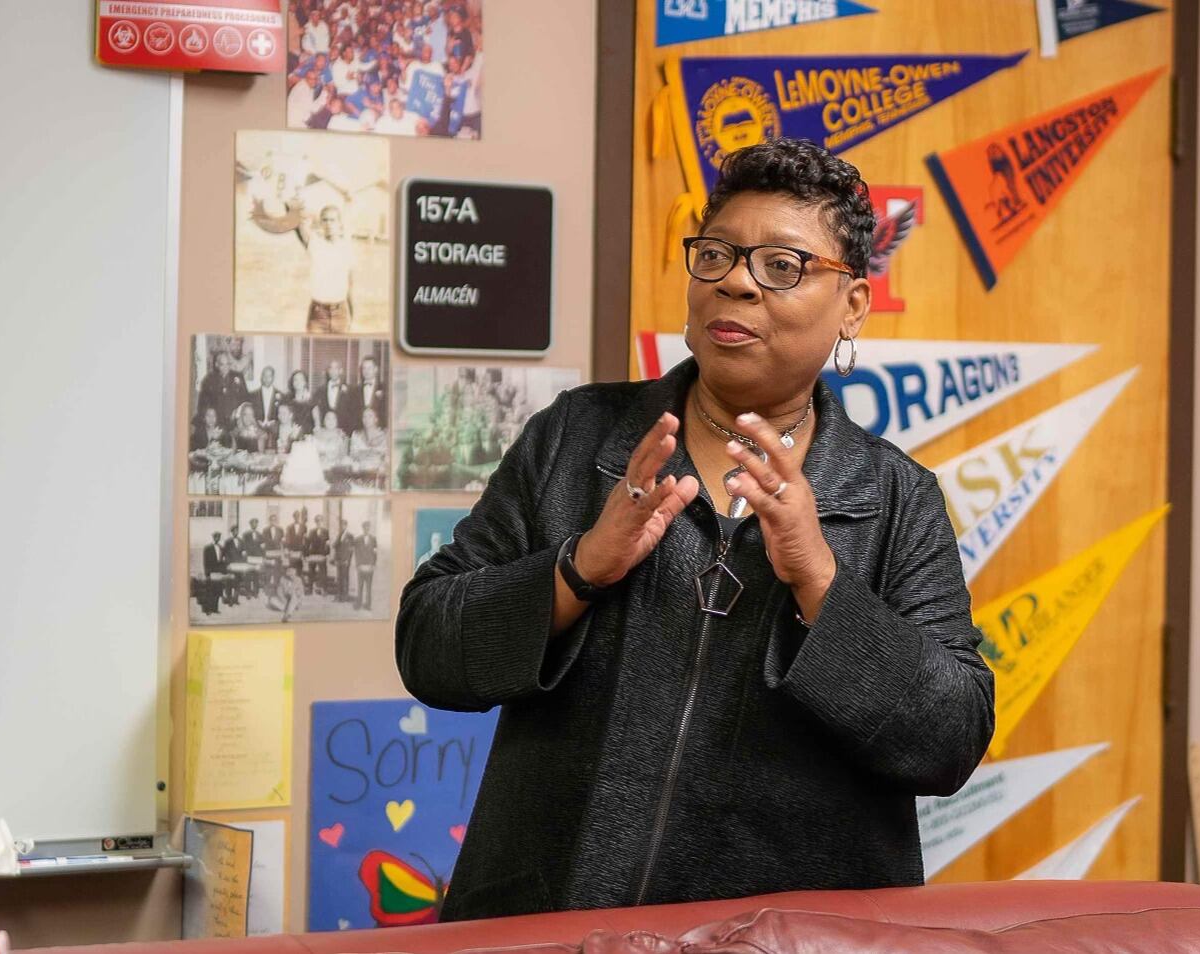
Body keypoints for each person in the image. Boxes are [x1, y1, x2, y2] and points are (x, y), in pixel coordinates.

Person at [396, 138, 994, 920]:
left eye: (783, 265)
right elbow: (427, 647)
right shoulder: (579, 438)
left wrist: (819, 580)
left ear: (852, 303)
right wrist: (575, 572)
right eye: (716, 254)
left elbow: (949, 738)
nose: (737, 281)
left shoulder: (893, 498)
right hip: (555, 921)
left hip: (787, 939)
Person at [294, 205, 355, 333]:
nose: (328, 224)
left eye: (332, 220)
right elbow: (297, 224)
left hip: (341, 313)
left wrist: (352, 314)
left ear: (339, 223)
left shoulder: (346, 247)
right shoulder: (315, 245)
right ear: (321, 223)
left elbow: (350, 284)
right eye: (325, 220)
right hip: (318, 314)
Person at [197, 349, 247, 425]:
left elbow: (245, 399)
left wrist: (238, 412)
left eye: (228, 364)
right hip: (216, 422)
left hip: (236, 422)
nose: (226, 367)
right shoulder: (208, 380)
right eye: (222, 364)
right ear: (217, 364)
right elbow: (203, 405)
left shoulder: (238, 376)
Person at [345, 354, 387, 428]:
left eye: (369, 368)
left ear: (376, 369)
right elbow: (351, 413)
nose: (366, 371)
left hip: (379, 432)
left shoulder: (385, 388)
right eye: (364, 368)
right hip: (359, 431)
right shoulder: (355, 390)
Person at [249, 366, 286, 434]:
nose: (266, 378)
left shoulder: (281, 395)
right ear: (261, 377)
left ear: (273, 377)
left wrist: (275, 422)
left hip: (275, 430)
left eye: (269, 376)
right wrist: (257, 422)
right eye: (264, 375)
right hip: (257, 429)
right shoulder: (252, 395)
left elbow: (284, 415)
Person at [315, 360, 351, 430]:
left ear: (341, 371)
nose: (333, 371)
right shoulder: (320, 390)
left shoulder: (349, 390)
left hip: (343, 430)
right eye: (331, 368)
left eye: (336, 368)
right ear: (328, 371)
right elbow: (316, 409)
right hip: (325, 430)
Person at [353, 520, 378, 611]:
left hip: (370, 567)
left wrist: (373, 565)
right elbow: (356, 553)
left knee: (368, 587)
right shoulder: (358, 539)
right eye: (365, 527)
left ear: (369, 528)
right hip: (361, 566)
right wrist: (358, 565)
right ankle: (358, 603)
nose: (366, 529)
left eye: (368, 527)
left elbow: (375, 553)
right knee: (360, 586)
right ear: (363, 528)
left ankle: (368, 604)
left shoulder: (373, 539)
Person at [306, 514, 331, 595]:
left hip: (322, 555)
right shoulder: (312, 531)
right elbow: (308, 543)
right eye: (317, 521)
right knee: (311, 573)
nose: (319, 522)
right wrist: (307, 555)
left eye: (320, 521)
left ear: (322, 522)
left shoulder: (326, 531)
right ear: (315, 522)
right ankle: (310, 590)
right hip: (313, 555)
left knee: (323, 573)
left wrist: (327, 554)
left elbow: (328, 544)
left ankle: (324, 590)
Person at [286, 371, 317, 435]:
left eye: (301, 379)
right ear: (292, 383)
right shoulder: (288, 400)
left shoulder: (312, 400)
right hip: (291, 433)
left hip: (308, 435)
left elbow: (317, 422)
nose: (298, 382)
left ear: (305, 382)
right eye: (295, 380)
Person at [333, 519, 355, 602]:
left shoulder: (350, 536)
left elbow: (351, 550)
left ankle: (345, 596)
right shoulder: (339, 535)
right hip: (339, 560)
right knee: (339, 578)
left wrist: (348, 560)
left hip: (345, 561)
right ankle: (339, 596)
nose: (342, 527)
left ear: (346, 525)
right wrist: (335, 559)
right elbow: (335, 546)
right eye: (341, 525)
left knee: (345, 579)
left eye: (343, 525)